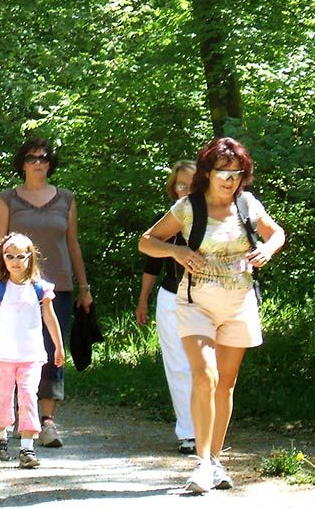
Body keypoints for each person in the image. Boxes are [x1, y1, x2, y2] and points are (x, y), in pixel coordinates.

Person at [139, 137, 285, 493]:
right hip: (195, 302)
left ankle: (216, 460)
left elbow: (276, 232)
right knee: (204, 375)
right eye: (222, 172)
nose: (229, 180)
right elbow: (147, 241)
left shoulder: (248, 204)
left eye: (236, 173)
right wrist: (176, 253)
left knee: (226, 383)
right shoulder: (189, 208)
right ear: (208, 172)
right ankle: (202, 463)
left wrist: (266, 249)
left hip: (239, 303)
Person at [0, 137, 92, 447]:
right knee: (15, 352)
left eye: (44, 158)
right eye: (32, 158)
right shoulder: (8, 199)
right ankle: (14, 420)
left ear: (50, 163)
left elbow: (72, 244)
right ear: (22, 163)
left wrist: (84, 287)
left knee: (51, 352)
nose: (38, 162)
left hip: (57, 287)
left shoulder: (66, 199)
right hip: (16, 288)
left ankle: (47, 422)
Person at [0, 233, 65, 469]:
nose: (16, 261)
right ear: (2, 259)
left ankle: (27, 448)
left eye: (21, 256)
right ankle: (0, 437)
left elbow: (50, 317)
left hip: (31, 356)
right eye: (10, 256)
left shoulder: (40, 289)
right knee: (1, 398)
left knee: (28, 397)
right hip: (2, 356)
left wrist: (59, 346)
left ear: (31, 257)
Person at [135, 160, 197, 455]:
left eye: (191, 184)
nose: (185, 189)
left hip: (211, 301)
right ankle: (188, 433)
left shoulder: (221, 219)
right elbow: (152, 262)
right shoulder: (167, 221)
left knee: (208, 367)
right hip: (172, 297)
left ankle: (210, 426)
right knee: (178, 366)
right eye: (180, 184)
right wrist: (143, 300)